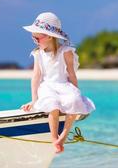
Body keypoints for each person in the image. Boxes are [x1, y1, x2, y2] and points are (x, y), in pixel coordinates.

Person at [20, 12, 95, 154]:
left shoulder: (65, 52)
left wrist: (77, 92)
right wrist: (34, 101)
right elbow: (36, 77)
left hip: (63, 85)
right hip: (47, 86)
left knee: (74, 101)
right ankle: (54, 138)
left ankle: (63, 137)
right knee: (52, 105)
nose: (34, 41)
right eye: (33, 38)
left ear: (49, 36)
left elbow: (71, 74)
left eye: (37, 38)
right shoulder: (38, 53)